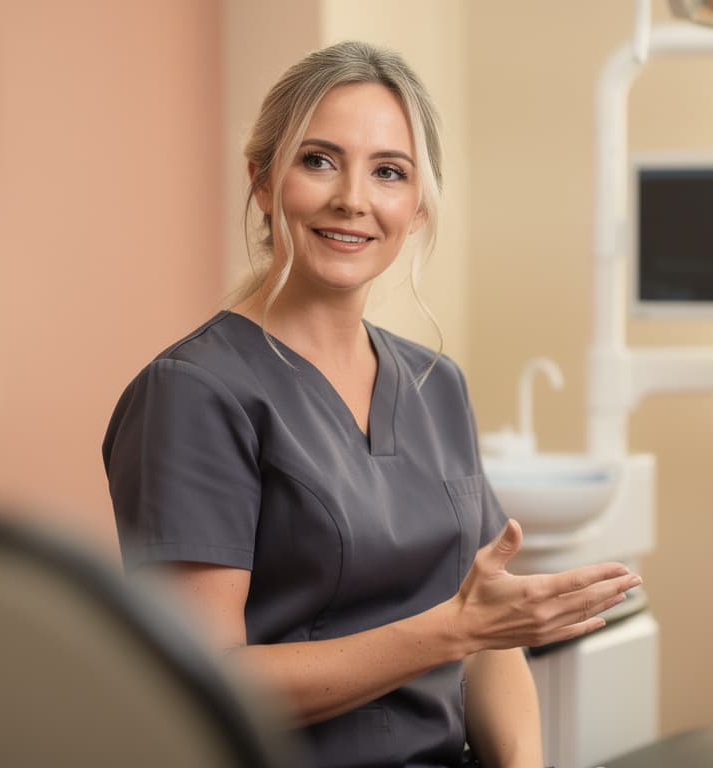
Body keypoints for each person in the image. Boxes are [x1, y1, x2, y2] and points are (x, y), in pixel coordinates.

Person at [102, 41, 641, 768]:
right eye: (318, 160)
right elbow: (204, 679)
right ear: (263, 181)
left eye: (389, 172)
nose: (353, 197)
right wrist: (451, 632)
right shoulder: (195, 393)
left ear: (416, 208)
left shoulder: (435, 385)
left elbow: (490, 646)